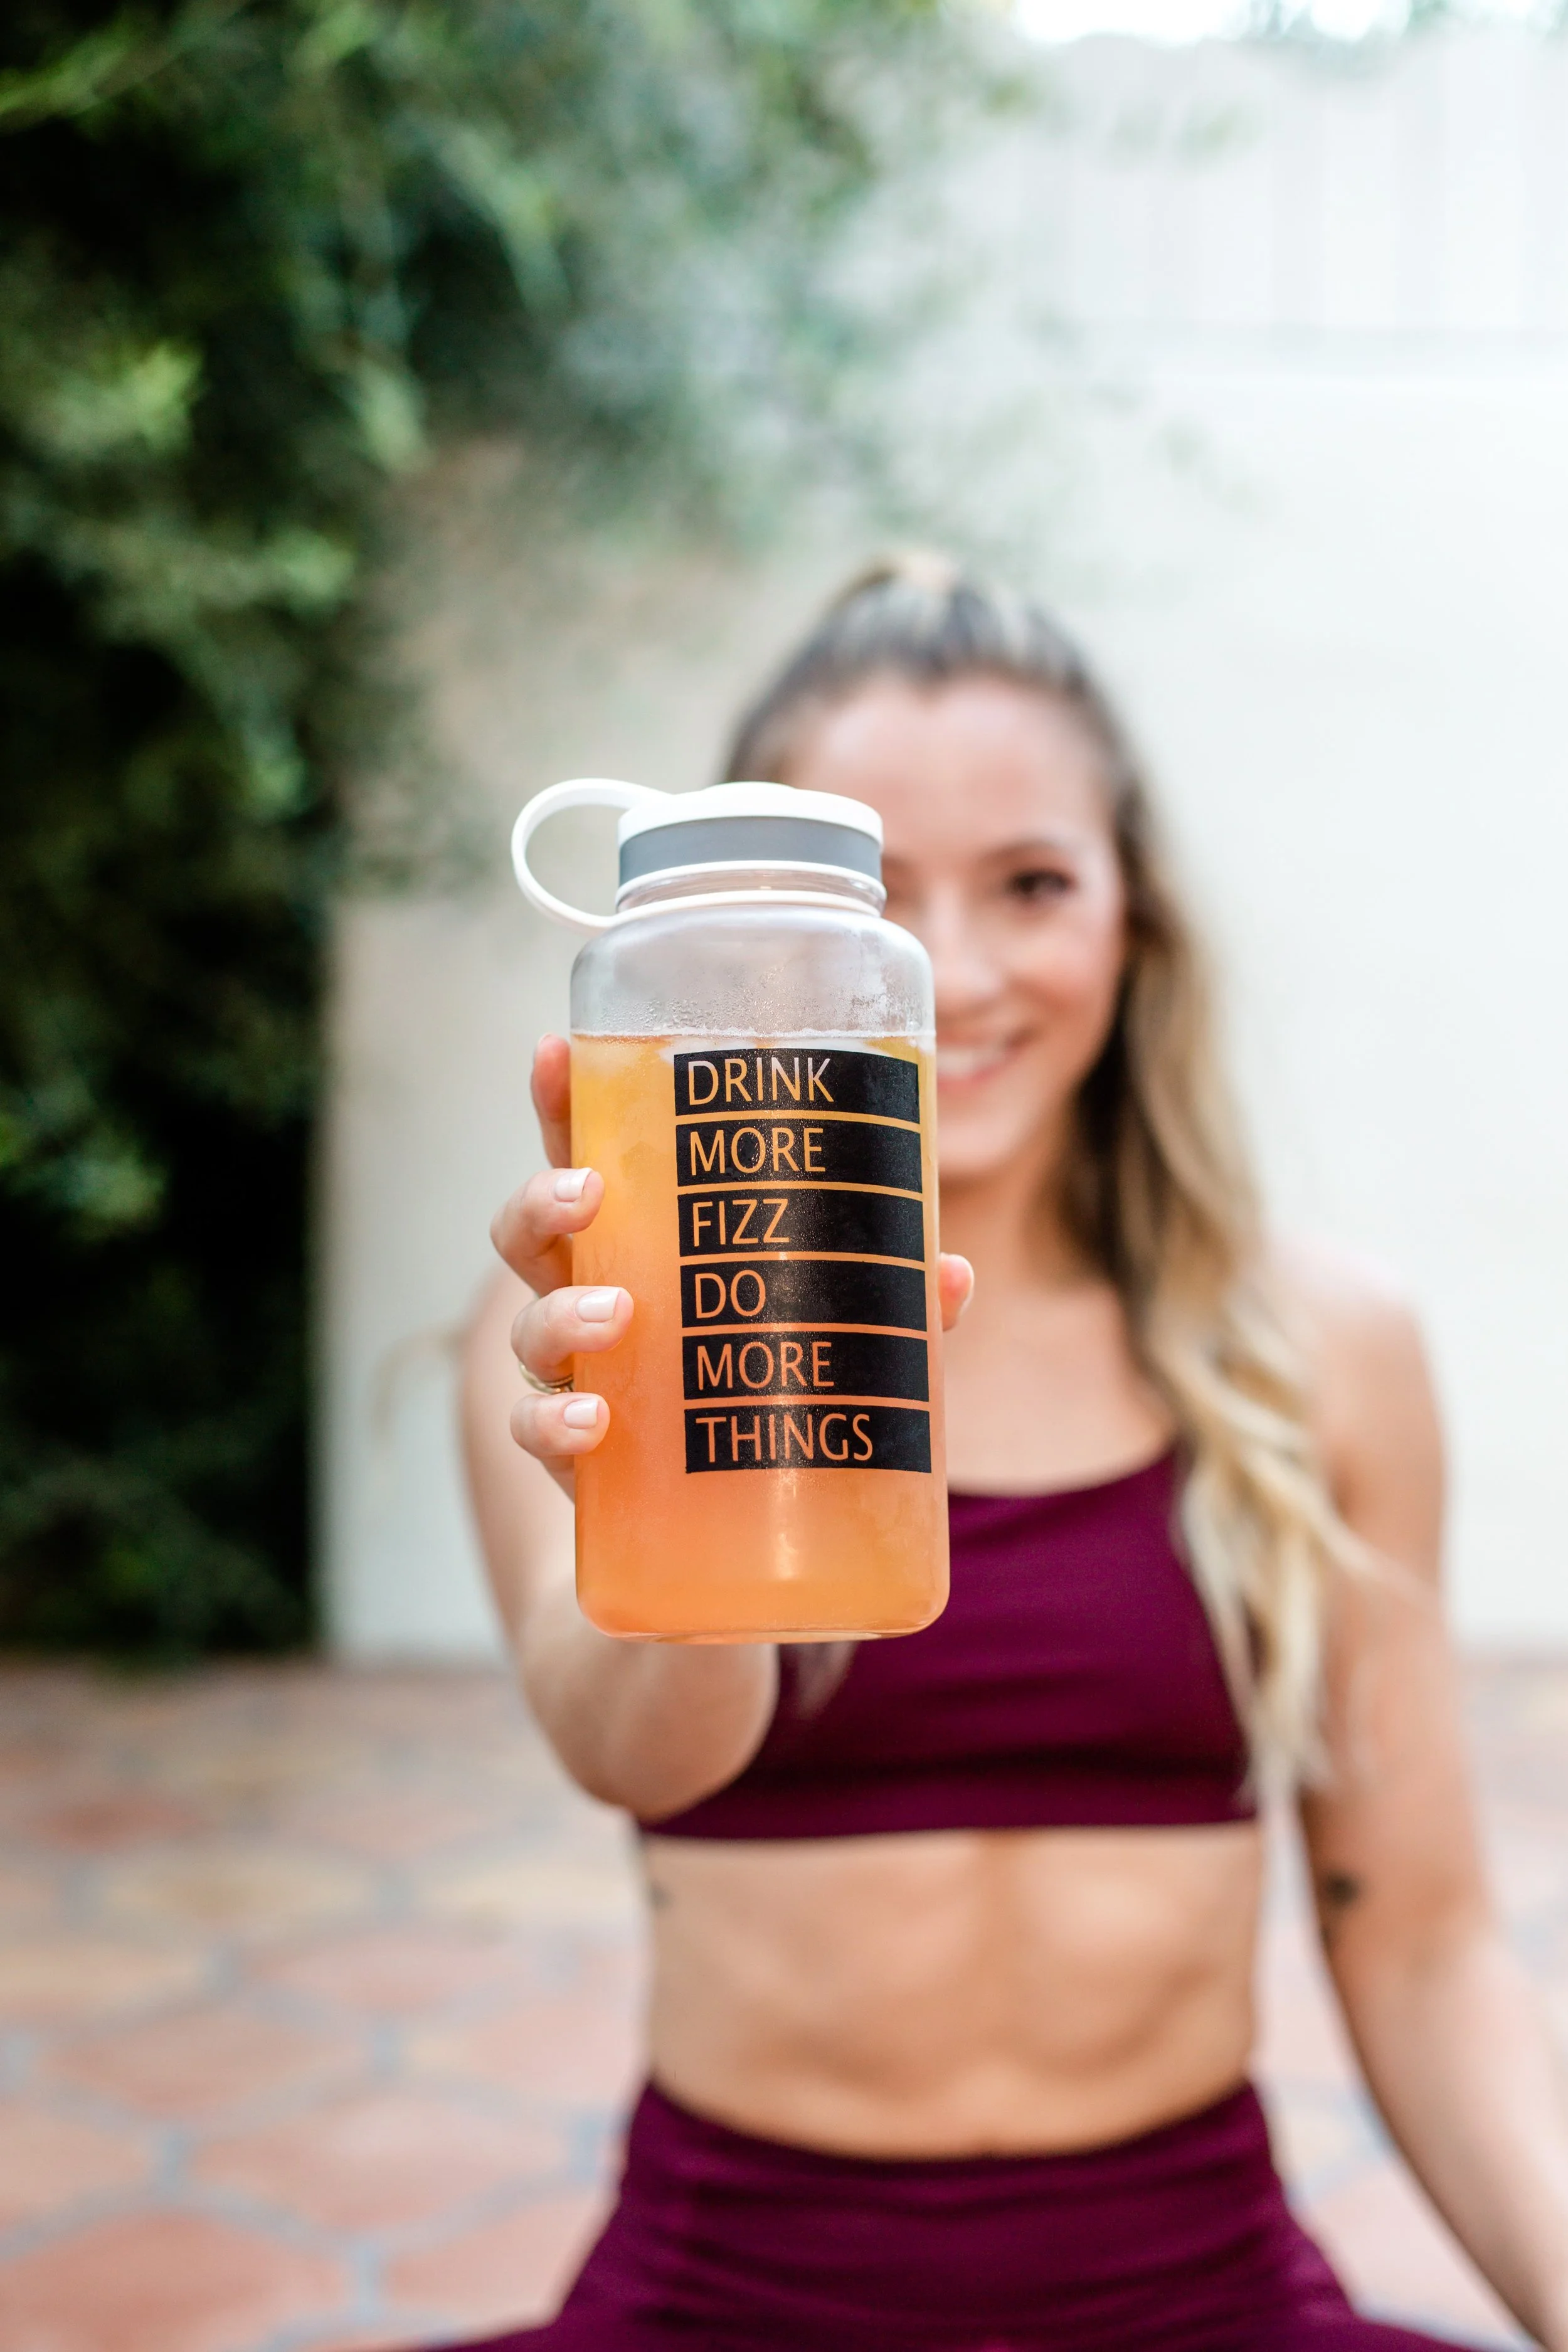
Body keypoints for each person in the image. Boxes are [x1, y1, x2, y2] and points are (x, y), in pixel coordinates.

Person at [457, 559, 1568, 2351]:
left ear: (1135, 917)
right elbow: (635, 1753)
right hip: (726, 2294)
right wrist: (700, 1444)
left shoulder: (1326, 1349)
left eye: (1031, 882)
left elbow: (1421, 1939)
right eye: (876, 895)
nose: (952, 970)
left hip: (1202, 2293)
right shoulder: (578, 1328)